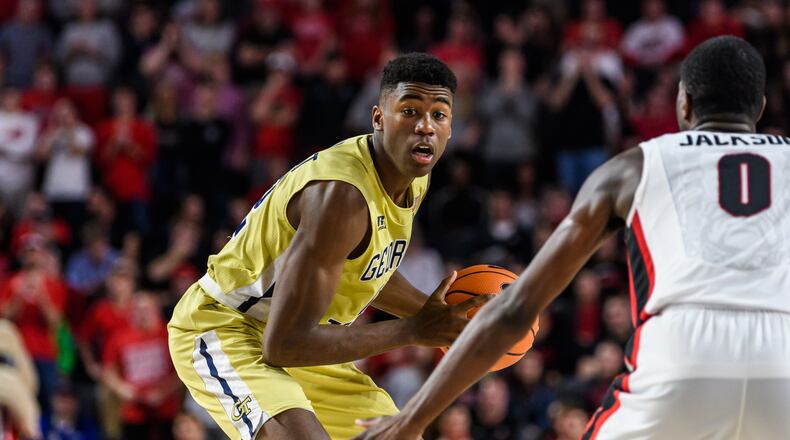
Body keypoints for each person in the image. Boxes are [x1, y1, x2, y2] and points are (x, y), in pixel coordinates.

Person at [355, 36, 790, 439]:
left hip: (681, 353)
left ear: (685, 103)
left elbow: (517, 308)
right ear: (760, 107)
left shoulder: (633, 167)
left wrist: (411, 419)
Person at [168, 52, 488, 440]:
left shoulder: (413, 175)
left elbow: (363, 268)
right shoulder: (341, 198)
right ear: (378, 118)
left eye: (439, 115)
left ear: (451, 127)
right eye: (410, 111)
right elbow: (283, 346)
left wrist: (449, 317)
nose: (425, 126)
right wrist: (413, 330)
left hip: (302, 336)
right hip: (229, 326)